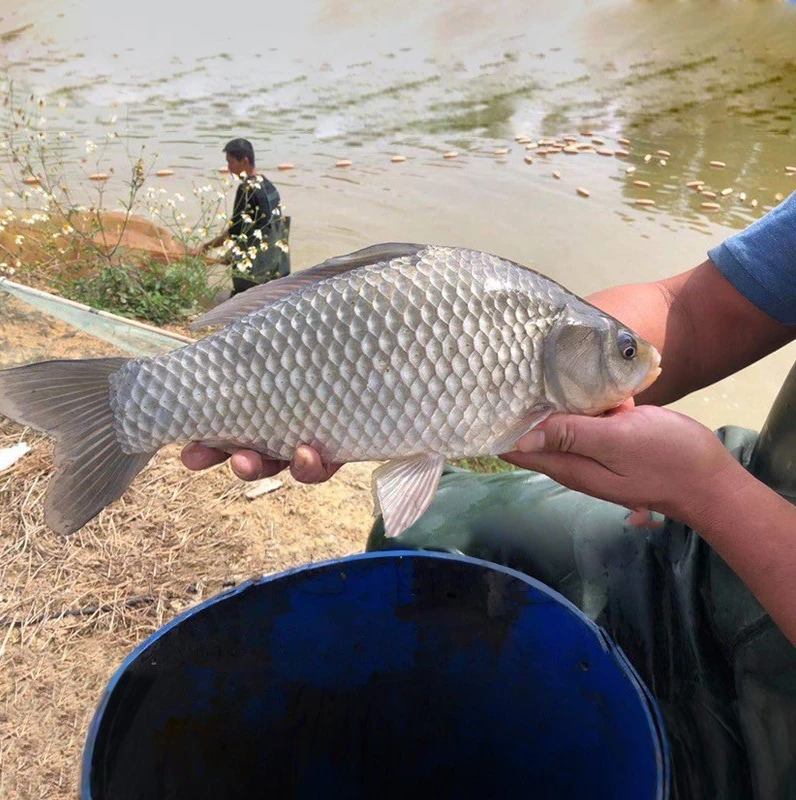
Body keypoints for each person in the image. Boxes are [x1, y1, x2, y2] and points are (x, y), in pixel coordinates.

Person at [182, 192, 796, 798]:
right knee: (438, 535)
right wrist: (388, 381)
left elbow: (693, 467)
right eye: (625, 350)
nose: (640, 358)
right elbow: (688, 309)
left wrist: (706, 491)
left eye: (626, 351)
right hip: (731, 502)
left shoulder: (700, 481)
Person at [198, 138, 290, 295]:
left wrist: (205, 247)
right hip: (278, 268)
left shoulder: (246, 189)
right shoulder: (268, 185)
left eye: (231, 162)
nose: (228, 168)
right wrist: (231, 252)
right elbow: (265, 226)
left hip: (255, 273)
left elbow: (235, 232)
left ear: (245, 161)